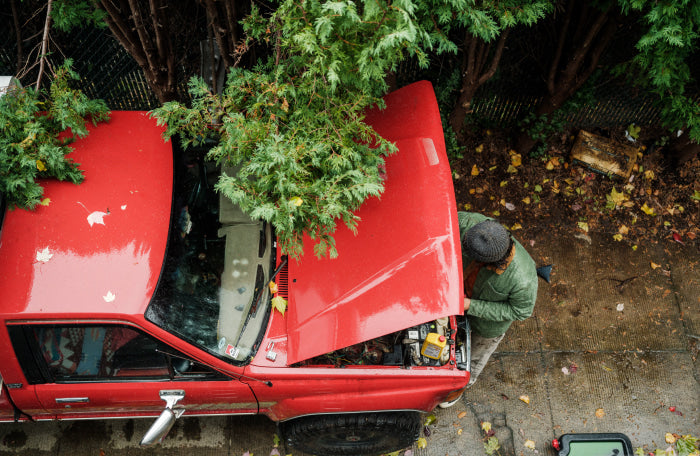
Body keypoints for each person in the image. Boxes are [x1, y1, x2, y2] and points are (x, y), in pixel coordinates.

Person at [459, 211, 538, 386]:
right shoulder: (468, 224)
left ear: (491, 263)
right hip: (455, 298)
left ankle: (462, 385)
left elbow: (521, 311)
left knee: (472, 360)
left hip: (485, 326)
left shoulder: (523, 279)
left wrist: (471, 306)